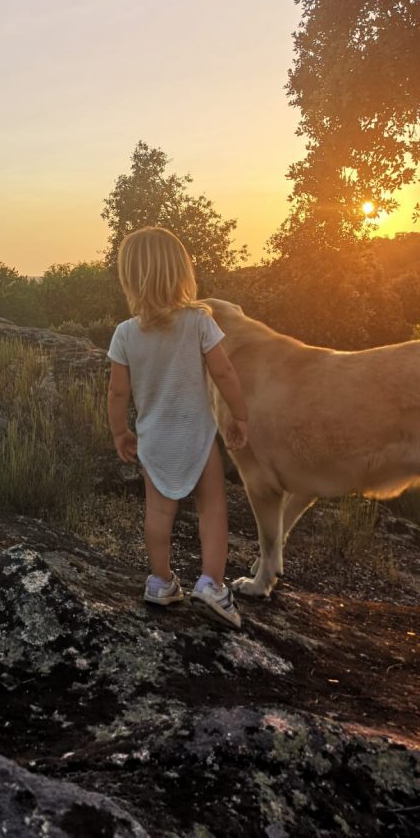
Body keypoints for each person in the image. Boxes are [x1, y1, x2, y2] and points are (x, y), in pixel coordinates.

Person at [106, 226, 249, 628]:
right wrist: (240, 415)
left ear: (130, 278)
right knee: (212, 508)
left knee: (157, 511)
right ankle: (212, 584)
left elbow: (117, 392)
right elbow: (225, 372)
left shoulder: (125, 334)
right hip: (197, 436)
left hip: (154, 441)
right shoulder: (199, 322)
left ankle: (161, 581)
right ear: (181, 272)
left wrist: (120, 432)